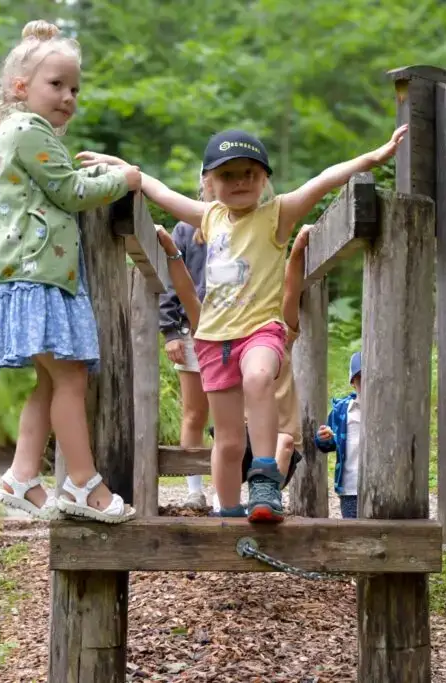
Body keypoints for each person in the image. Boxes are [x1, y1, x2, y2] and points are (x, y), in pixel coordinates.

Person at [79, 123, 407, 523]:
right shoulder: (210, 217)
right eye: (227, 175)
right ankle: (229, 513)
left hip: (261, 330)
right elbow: (161, 192)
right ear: (211, 183)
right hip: (215, 340)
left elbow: (323, 181)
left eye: (249, 173)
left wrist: (372, 157)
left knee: (258, 378)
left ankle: (266, 478)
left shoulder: (277, 215)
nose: (239, 182)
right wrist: (126, 171)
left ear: (264, 178)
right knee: (229, 441)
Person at [0, 20, 141, 523]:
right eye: (57, 85)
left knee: (51, 382)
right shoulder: (28, 129)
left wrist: (93, 174)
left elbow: (60, 184)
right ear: (20, 87)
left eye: (75, 88)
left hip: (36, 275)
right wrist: (123, 178)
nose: (68, 96)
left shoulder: (31, 133)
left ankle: (22, 476)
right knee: (71, 378)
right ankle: (83, 484)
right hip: (35, 275)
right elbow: (69, 193)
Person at [156, 223, 312, 514]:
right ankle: (225, 505)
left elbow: (291, 289)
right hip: (241, 439)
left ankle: (265, 498)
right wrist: (172, 252)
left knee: (285, 440)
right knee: (227, 441)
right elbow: (189, 294)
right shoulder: (214, 335)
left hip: (278, 442)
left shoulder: (276, 332)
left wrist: (299, 248)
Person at [158, 176, 211, 509]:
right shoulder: (183, 230)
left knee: (235, 416)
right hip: (192, 331)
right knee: (195, 413)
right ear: (203, 184)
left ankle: (232, 485)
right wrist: (171, 331)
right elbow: (169, 282)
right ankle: (195, 489)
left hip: (237, 331)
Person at [316, 352, 363, 518]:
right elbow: (328, 444)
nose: (367, 383)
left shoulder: (389, 410)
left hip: (383, 486)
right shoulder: (342, 410)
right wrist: (324, 438)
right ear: (353, 382)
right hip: (350, 486)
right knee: (352, 530)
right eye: (361, 379)